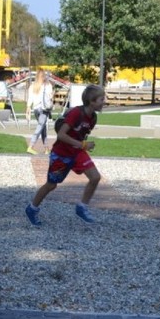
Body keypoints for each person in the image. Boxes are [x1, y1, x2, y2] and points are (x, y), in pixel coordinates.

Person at [25, 84, 105, 226]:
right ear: (92, 101)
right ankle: (32, 208)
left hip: (77, 152)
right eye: (101, 99)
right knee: (51, 185)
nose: (104, 102)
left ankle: (82, 207)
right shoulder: (76, 113)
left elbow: (80, 135)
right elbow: (61, 135)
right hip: (61, 154)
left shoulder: (93, 118)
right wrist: (82, 145)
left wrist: (82, 145)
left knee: (95, 177)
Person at [26, 70, 54, 154]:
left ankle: (46, 148)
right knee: (40, 127)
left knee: (43, 128)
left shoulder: (33, 86)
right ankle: (31, 146)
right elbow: (50, 97)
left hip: (36, 109)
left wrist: (28, 108)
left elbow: (30, 98)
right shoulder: (47, 85)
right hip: (43, 109)